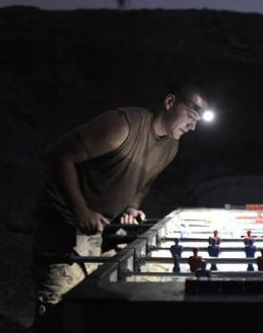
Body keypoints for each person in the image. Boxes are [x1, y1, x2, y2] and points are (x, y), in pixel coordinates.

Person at [32, 79, 211, 316]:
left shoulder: (171, 146)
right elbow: (59, 156)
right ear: (169, 102)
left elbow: (144, 182)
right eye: (191, 115)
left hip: (98, 231)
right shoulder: (122, 126)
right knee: (57, 311)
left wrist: (131, 208)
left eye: (197, 121)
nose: (192, 127)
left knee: (87, 308)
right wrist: (80, 210)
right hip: (64, 227)